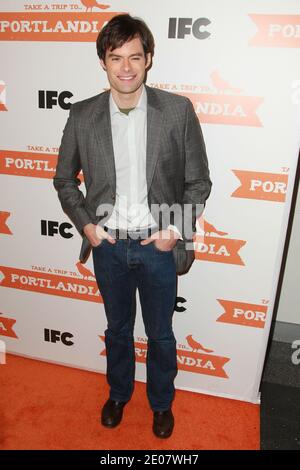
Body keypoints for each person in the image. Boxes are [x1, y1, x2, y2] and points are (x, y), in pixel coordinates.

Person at [53, 14, 212, 439]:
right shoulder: (83, 114)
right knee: (117, 328)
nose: (125, 67)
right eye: (115, 57)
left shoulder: (176, 111)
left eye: (134, 57)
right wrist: (87, 227)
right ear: (103, 62)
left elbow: (198, 181)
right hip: (107, 246)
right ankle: (119, 393)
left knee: (161, 334)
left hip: (157, 247)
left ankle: (161, 403)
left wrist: (173, 231)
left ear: (149, 60)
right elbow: (64, 179)